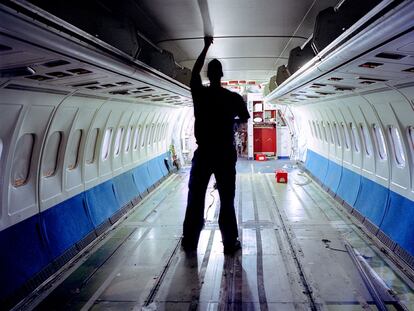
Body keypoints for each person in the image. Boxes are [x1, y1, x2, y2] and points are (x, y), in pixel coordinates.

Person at [181, 36, 250, 255]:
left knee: (196, 197)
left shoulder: (199, 94)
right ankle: (230, 243)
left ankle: (190, 241)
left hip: (204, 154)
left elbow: (193, 74)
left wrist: (205, 46)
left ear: (207, 75)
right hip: (224, 154)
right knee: (227, 199)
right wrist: (231, 122)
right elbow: (245, 118)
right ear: (221, 75)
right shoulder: (232, 97)